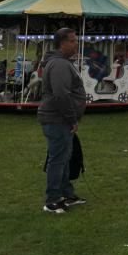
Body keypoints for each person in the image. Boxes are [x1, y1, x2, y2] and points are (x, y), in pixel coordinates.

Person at [37, 28, 86, 214]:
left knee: (64, 158)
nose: (76, 44)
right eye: (72, 41)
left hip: (59, 119)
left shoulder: (62, 62)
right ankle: (52, 200)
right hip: (57, 119)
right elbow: (61, 95)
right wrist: (72, 118)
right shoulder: (59, 64)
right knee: (58, 160)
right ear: (62, 43)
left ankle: (66, 194)